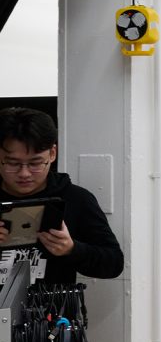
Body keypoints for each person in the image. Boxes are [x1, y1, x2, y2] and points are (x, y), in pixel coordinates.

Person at [0, 107, 123, 285]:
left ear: (52, 154)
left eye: (35, 163)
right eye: (12, 163)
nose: (24, 173)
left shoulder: (76, 199)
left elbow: (113, 263)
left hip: (57, 310)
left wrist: (72, 249)